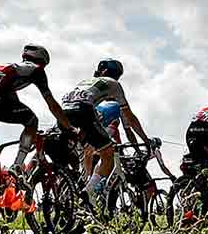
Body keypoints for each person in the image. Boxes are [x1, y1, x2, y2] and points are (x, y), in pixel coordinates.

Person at [0, 44, 72, 178]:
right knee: (32, 120)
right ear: (43, 62)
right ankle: (17, 165)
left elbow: (11, 97)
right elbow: (52, 104)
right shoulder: (36, 70)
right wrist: (69, 126)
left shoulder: (11, 68)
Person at [60, 59, 156, 201]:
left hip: (63, 110)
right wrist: (145, 140)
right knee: (108, 154)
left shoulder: (86, 82)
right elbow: (130, 118)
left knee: (80, 148)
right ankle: (88, 192)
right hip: (83, 110)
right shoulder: (114, 84)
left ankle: (70, 181)